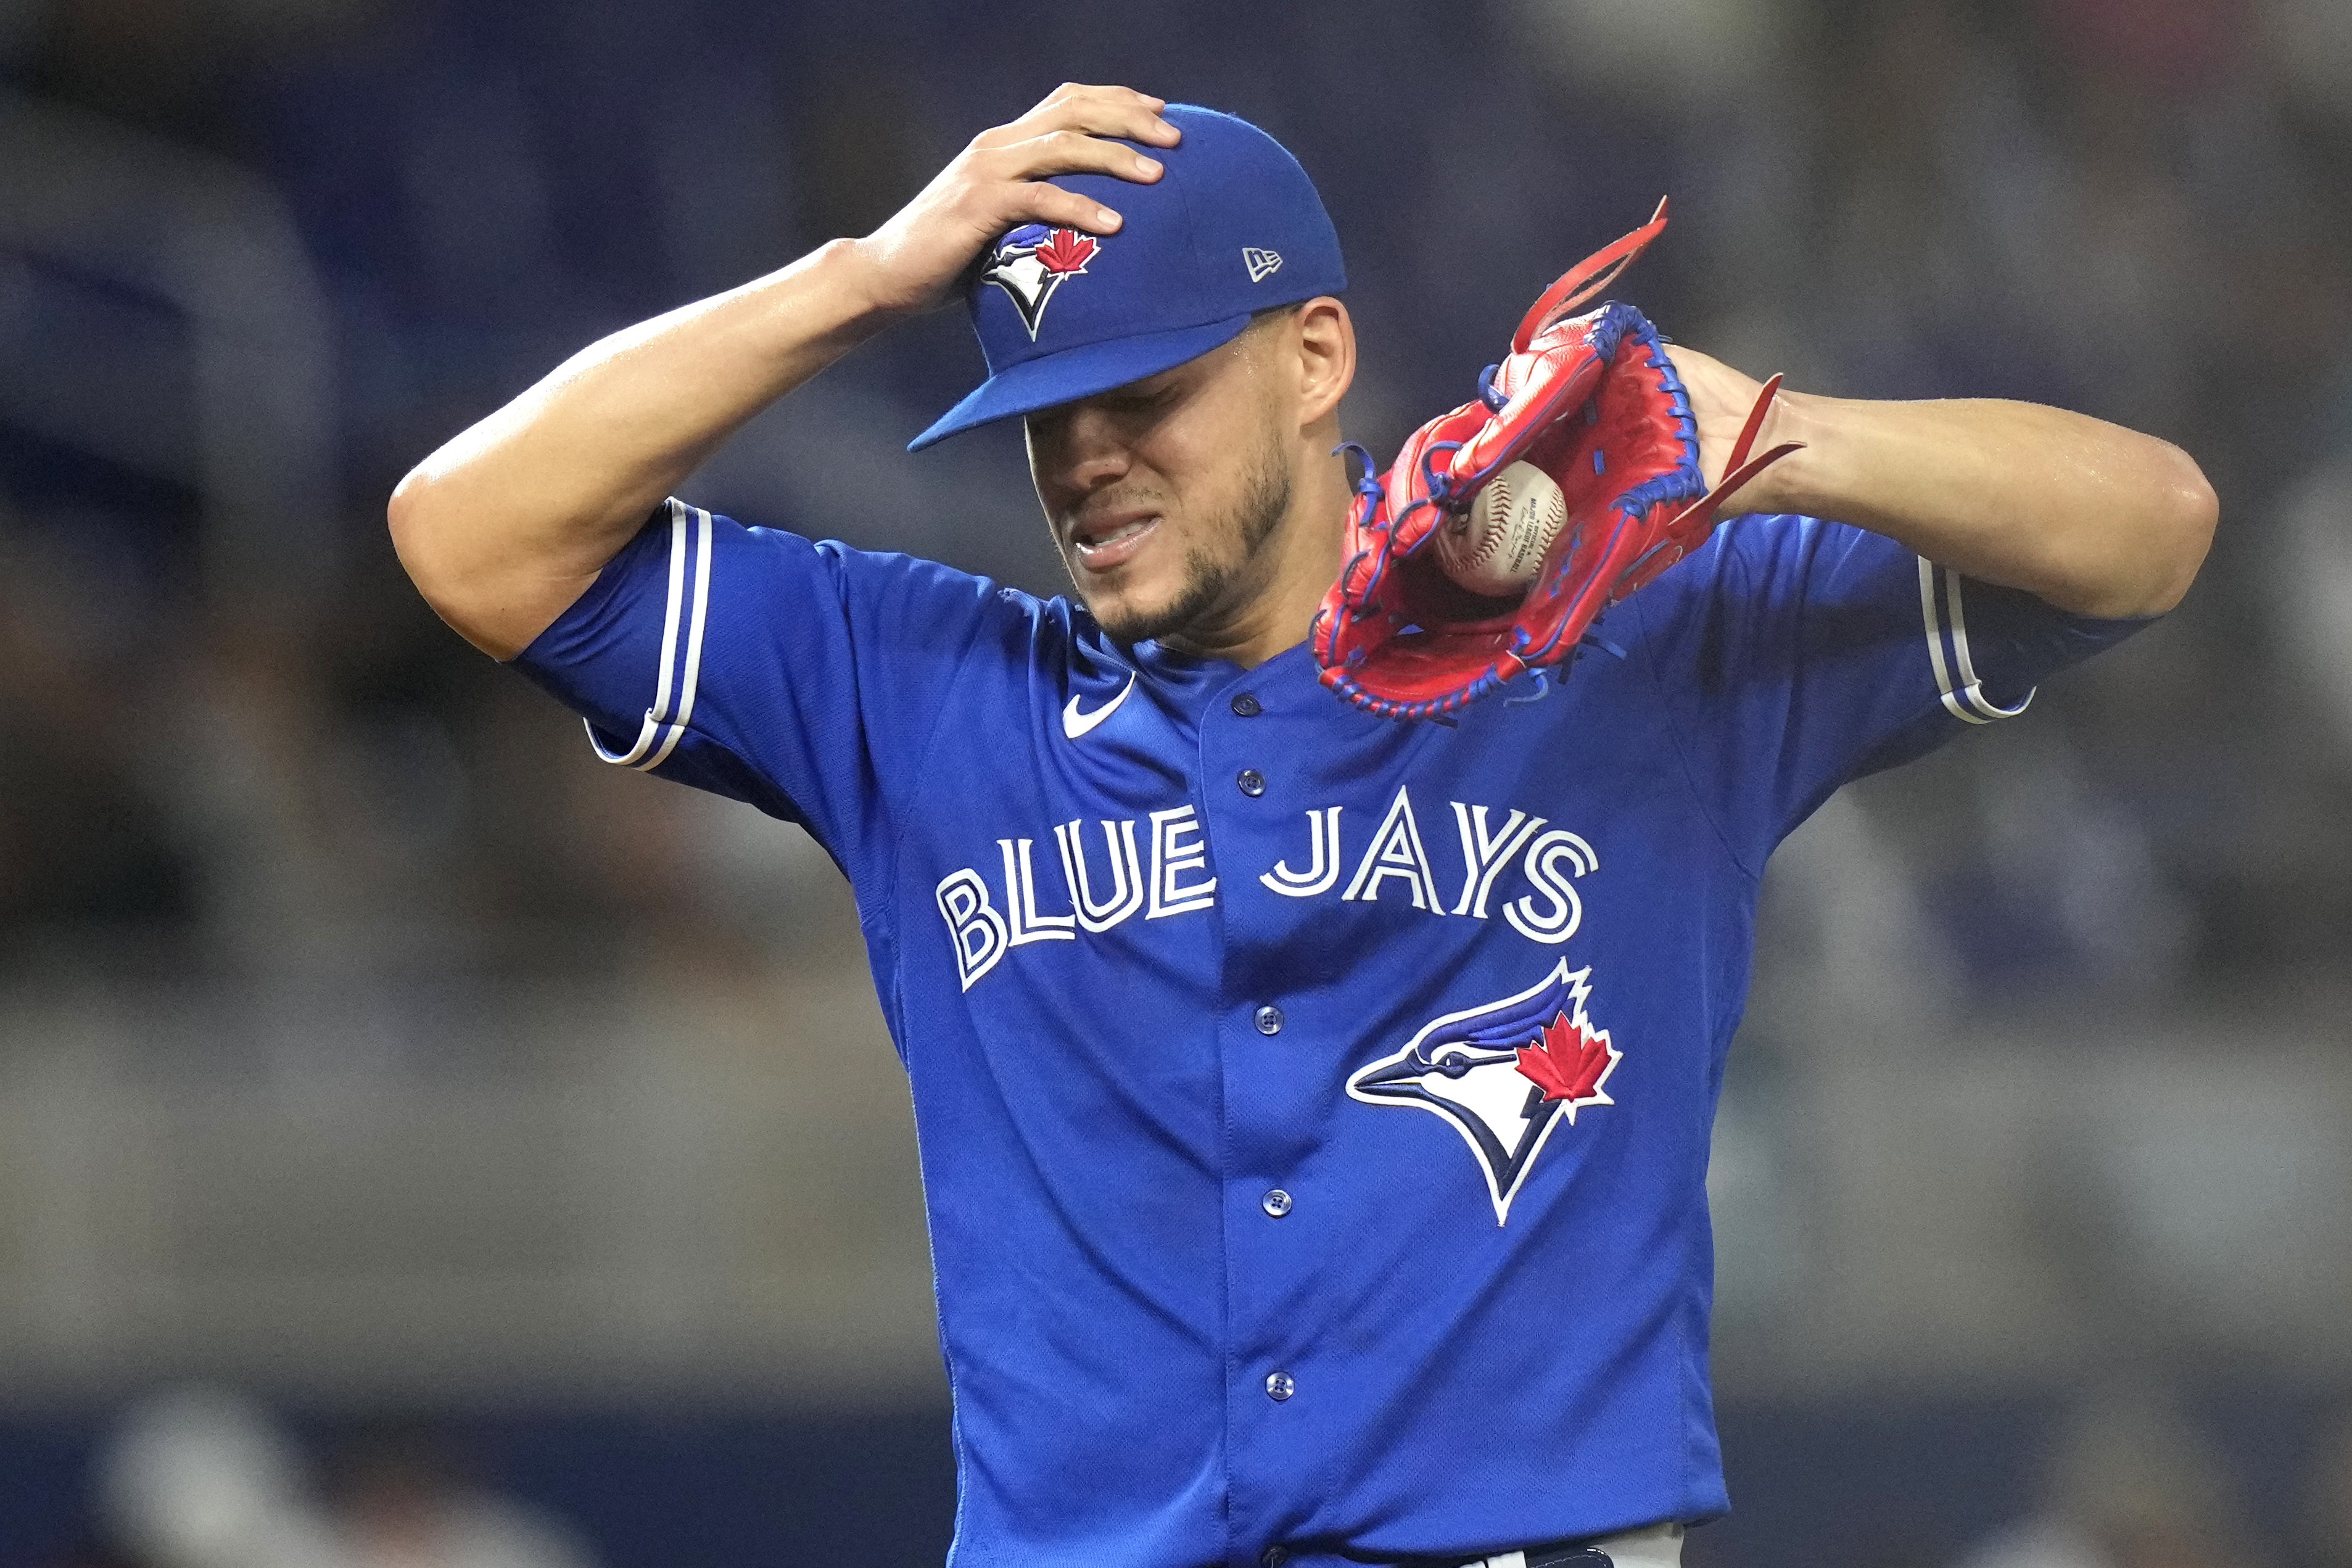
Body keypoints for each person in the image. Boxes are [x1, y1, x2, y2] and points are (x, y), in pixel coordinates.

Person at [387, 85, 2215, 1568]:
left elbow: (2153, 528)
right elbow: (468, 537)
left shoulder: (1629, 644)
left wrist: (1773, 435)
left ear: (1317, 355)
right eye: (1043, 415)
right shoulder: (927, 696)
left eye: (1145, 396)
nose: (1087, 457)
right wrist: (866, 279)